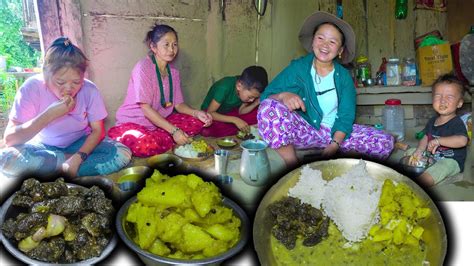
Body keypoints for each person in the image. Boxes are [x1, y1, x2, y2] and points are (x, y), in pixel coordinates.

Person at [257, 11, 394, 167]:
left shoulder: (343, 77)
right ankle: (292, 165)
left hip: (333, 133)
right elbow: (265, 97)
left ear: (340, 50)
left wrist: (335, 144)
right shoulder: (298, 68)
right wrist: (283, 95)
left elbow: (346, 116)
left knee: (385, 142)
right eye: (320, 38)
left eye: (332, 42)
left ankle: (339, 159)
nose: (324, 45)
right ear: (313, 41)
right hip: (303, 131)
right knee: (269, 108)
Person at [0, 37, 132, 178]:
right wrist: (50, 114)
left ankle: (55, 169)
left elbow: (98, 131)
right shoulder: (31, 88)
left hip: (79, 143)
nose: (69, 88)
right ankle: (65, 168)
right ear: (45, 73)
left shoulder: (89, 89)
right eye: (60, 82)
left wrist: (77, 158)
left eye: (76, 82)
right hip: (44, 146)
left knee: (121, 153)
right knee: (6, 159)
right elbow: (9, 139)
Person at [108, 24, 212, 157]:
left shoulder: (173, 72)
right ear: (153, 47)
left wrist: (197, 113)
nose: (171, 49)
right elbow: (145, 109)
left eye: (175, 44)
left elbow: (179, 105)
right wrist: (174, 131)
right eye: (166, 44)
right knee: (145, 145)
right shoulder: (143, 68)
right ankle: (169, 138)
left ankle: (167, 138)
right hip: (135, 122)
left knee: (197, 122)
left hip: (160, 122)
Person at [407, 74, 469, 187]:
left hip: (450, 161)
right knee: (411, 152)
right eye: (438, 96)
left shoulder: (456, 122)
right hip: (433, 157)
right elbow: (426, 136)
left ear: (459, 103)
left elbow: (462, 141)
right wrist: (420, 150)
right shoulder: (432, 120)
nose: (442, 101)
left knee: (440, 169)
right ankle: (422, 164)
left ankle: (419, 185)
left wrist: (438, 141)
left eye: (449, 97)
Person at [200, 66, 268, 137]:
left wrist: (256, 103)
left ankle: (238, 128)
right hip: (211, 115)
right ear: (239, 86)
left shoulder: (244, 88)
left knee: (259, 114)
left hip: (230, 112)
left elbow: (241, 111)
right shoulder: (224, 87)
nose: (252, 100)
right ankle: (238, 128)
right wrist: (235, 120)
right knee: (207, 131)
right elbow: (210, 113)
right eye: (250, 97)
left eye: (254, 97)